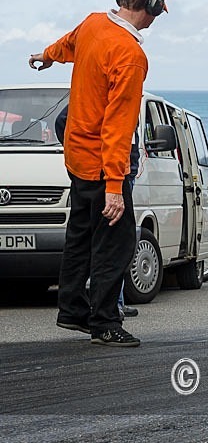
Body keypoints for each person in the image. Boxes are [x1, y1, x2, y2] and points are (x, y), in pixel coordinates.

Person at [28, 0, 168, 347]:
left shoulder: (92, 24)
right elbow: (118, 127)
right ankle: (104, 322)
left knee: (80, 237)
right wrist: (113, 188)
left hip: (76, 158)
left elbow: (67, 44)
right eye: (159, 9)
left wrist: (46, 56)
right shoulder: (131, 54)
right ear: (152, 7)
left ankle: (72, 309)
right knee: (115, 246)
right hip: (103, 165)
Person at [55, 105, 139, 318]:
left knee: (84, 239)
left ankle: (74, 311)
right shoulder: (124, 76)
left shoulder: (87, 84)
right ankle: (105, 316)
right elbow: (63, 121)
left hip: (93, 168)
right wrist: (114, 183)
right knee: (114, 243)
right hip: (107, 171)